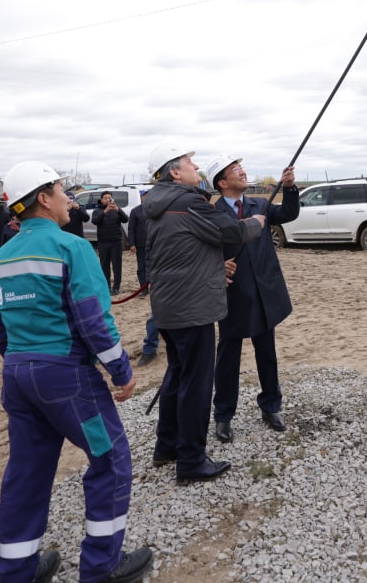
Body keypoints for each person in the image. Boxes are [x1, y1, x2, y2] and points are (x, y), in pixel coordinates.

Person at [0, 161, 153, 583]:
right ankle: (102, 566)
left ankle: (17, 571)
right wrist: (121, 371)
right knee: (111, 460)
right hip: (67, 380)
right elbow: (94, 321)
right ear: (42, 198)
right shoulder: (72, 248)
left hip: (18, 377)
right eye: (62, 191)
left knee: (26, 471)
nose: (68, 199)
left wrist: (25, 363)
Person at [143, 144, 263, 484]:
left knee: (177, 375)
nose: (196, 167)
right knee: (196, 384)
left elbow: (186, 250)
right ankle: (191, 461)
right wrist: (255, 222)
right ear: (175, 173)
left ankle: (166, 446)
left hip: (168, 306)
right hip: (191, 309)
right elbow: (231, 232)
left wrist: (213, 267)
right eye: (189, 163)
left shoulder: (157, 203)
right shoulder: (188, 201)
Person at [207, 155, 299, 444]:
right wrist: (219, 266)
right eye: (236, 170)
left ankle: (271, 406)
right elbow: (205, 249)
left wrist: (290, 188)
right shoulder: (212, 212)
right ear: (222, 182)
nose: (243, 172)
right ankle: (223, 416)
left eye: (242, 167)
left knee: (267, 353)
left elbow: (288, 214)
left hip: (263, 292)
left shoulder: (260, 204)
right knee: (228, 358)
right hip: (232, 293)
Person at [126, 190, 157, 366]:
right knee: (156, 315)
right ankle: (150, 348)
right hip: (160, 272)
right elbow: (131, 228)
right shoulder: (139, 211)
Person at [92, 191, 129, 294]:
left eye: (110, 198)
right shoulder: (97, 210)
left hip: (116, 242)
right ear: (102, 200)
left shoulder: (117, 210)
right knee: (104, 266)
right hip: (103, 242)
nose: (108, 200)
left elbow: (125, 219)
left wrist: (119, 210)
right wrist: (105, 212)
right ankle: (106, 286)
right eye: (106, 198)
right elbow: (95, 221)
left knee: (117, 265)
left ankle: (116, 287)